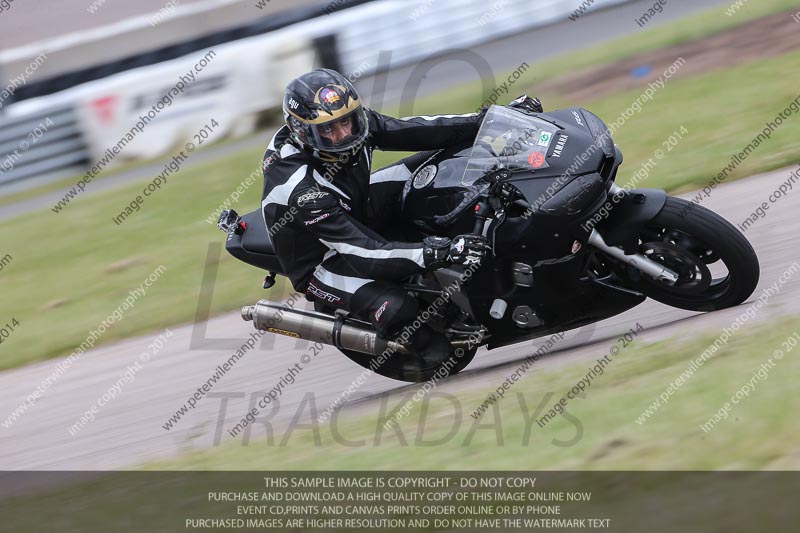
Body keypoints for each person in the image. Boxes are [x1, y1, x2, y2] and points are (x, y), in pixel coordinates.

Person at [261, 68, 493, 362]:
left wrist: (488, 120)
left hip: (354, 205)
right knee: (402, 313)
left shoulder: (353, 125)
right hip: (327, 255)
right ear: (304, 132)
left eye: (346, 121)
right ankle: (414, 343)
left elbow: (419, 130)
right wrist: (439, 252)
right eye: (328, 130)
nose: (343, 134)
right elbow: (363, 253)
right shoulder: (303, 190)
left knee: (440, 166)